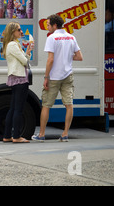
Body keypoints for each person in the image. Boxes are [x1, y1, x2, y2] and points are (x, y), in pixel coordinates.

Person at [32, 14, 83, 142]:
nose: (47, 27)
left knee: (46, 105)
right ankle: (65, 133)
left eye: (48, 24)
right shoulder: (71, 37)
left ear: (55, 25)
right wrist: (66, 57)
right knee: (69, 105)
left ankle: (42, 134)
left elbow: (50, 60)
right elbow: (79, 57)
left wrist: (46, 77)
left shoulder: (52, 38)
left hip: (54, 76)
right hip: (68, 75)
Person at [2, 22, 34, 143]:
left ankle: (7, 135)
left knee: (13, 108)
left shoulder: (12, 45)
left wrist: (28, 51)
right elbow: (25, 62)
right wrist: (28, 53)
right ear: (12, 32)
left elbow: (23, 60)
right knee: (18, 109)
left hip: (15, 77)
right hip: (20, 78)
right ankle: (16, 136)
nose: (21, 32)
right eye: (19, 30)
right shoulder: (13, 45)